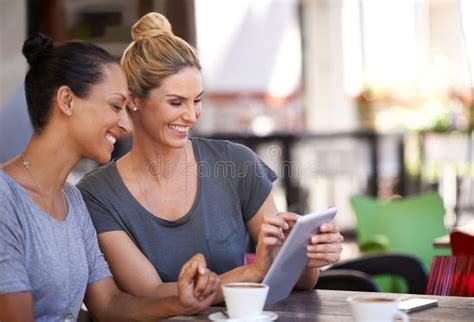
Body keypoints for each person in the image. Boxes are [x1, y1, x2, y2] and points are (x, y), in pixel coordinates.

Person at [77, 12, 343, 302]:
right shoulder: (98, 195)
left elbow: (295, 280)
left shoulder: (237, 163)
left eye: (197, 100)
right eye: (176, 102)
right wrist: (251, 273)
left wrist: (308, 254)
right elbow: (150, 294)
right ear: (133, 100)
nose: (191, 116)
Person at [0, 33, 219, 322]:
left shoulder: (73, 201)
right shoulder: (5, 199)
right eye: (116, 106)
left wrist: (180, 303)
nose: (126, 125)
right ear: (67, 100)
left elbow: (109, 304)